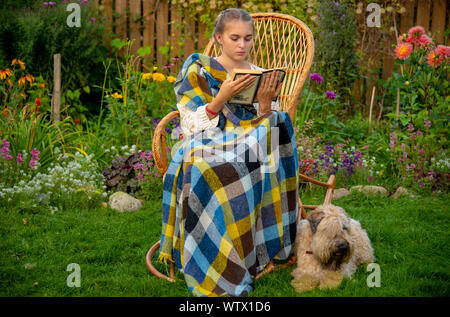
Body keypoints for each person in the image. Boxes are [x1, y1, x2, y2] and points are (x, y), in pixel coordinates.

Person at [158, 8, 299, 297]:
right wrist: (221, 97)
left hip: (249, 145)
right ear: (219, 38)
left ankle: (240, 248)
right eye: (234, 38)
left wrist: (264, 104)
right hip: (207, 139)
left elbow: (266, 126)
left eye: (248, 39)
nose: (241, 45)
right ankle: (207, 250)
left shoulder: (259, 75)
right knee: (199, 164)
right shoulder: (200, 70)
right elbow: (189, 126)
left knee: (270, 126)